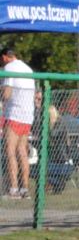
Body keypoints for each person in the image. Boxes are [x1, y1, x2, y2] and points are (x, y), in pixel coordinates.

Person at [1, 44, 36, 199]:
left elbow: (6, 94)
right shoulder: (28, 69)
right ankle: (24, 189)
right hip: (27, 115)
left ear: (4, 57)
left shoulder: (9, 68)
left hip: (14, 113)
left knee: (10, 151)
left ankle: (13, 188)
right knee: (22, 151)